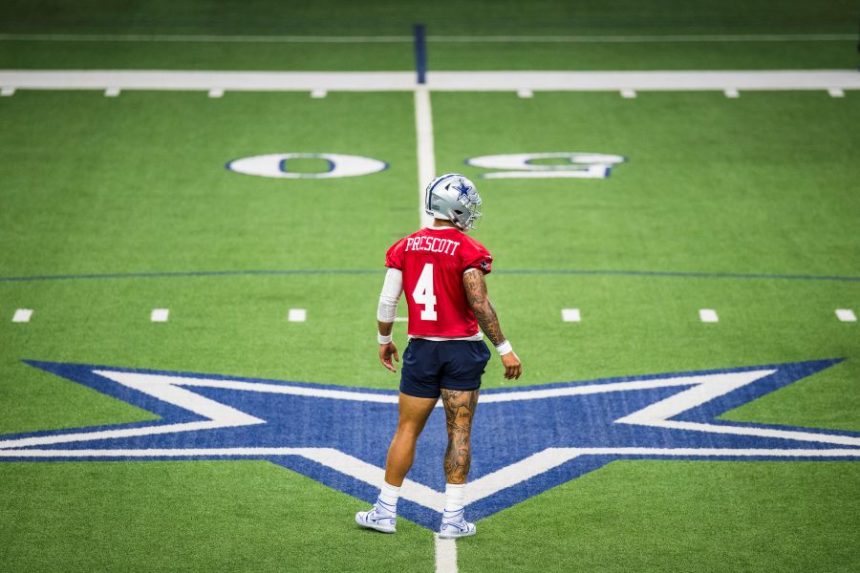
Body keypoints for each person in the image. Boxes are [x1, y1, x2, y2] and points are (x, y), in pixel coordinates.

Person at [355, 173, 522, 539]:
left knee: (406, 429)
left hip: (423, 349)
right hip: (462, 351)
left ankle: (385, 510)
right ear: (456, 208)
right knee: (459, 432)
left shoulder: (405, 246)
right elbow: (479, 304)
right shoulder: (468, 250)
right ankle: (452, 518)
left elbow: (387, 301)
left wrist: (384, 338)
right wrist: (505, 349)